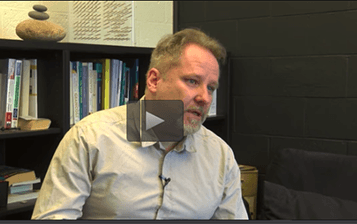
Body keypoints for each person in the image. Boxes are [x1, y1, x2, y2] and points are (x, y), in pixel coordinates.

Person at [31, 28, 249, 220]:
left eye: (211, 87)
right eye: (193, 81)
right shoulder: (91, 138)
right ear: (154, 80)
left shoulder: (220, 155)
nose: (205, 98)